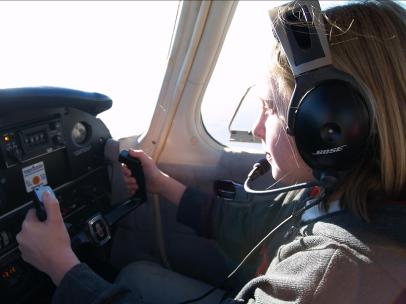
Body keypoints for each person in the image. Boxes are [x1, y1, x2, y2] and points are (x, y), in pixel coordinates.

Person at [16, 1, 406, 303]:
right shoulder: (340, 193)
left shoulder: (333, 274)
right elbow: (250, 223)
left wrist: (62, 267)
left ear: (331, 127)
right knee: (136, 274)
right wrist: (162, 183)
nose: (255, 128)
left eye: (269, 108)